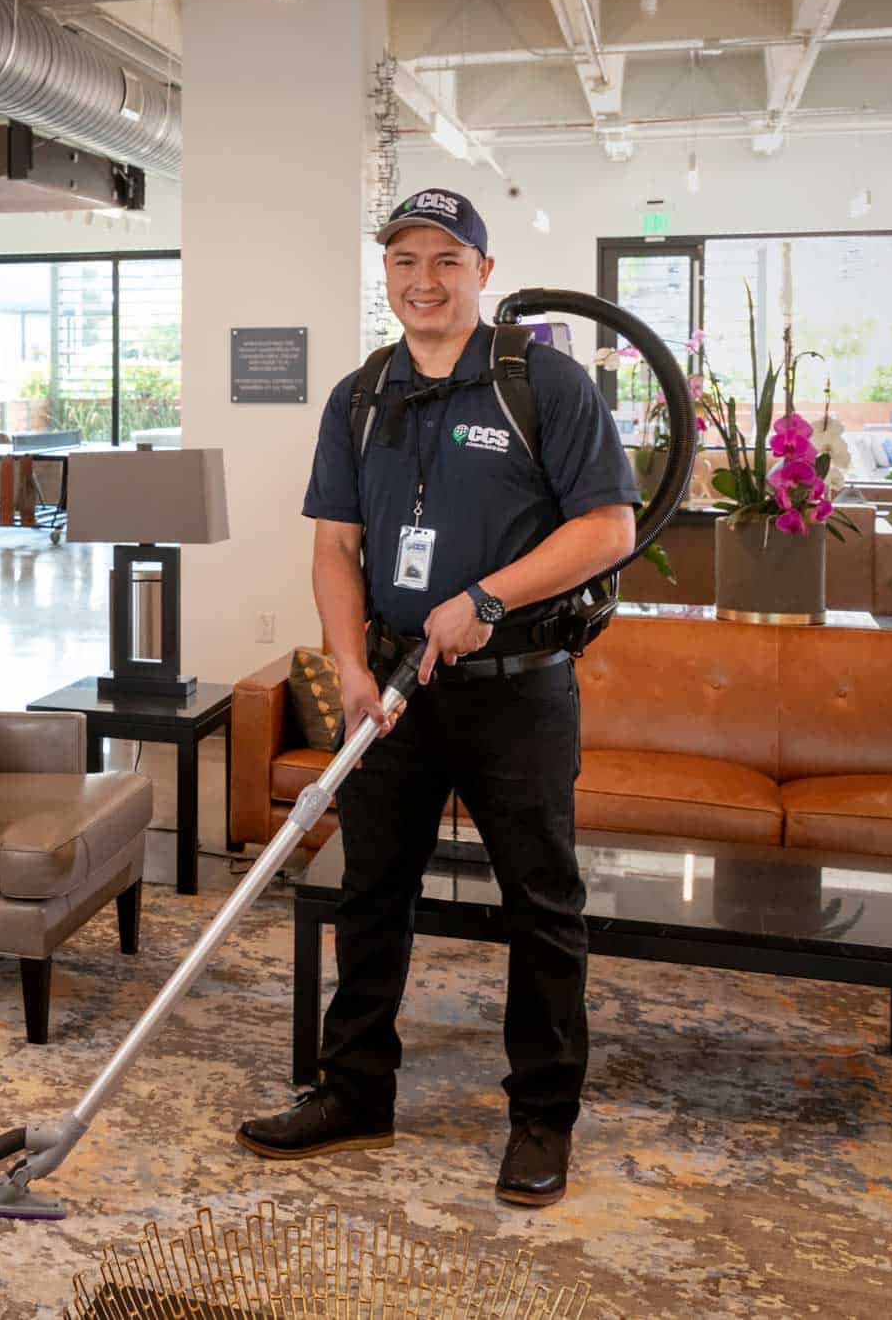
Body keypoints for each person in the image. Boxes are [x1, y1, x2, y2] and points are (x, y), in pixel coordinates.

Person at [235, 189, 638, 1208]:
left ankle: (540, 1116)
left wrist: (483, 598)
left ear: (483, 273)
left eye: (445, 260)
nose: (423, 279)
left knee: (540, 905)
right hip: (391, 698)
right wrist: (346, 669)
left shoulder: (542, 382)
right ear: (386, 274)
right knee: (370, 894)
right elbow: (333, 543)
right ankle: (352, 1090)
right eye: (404, 261)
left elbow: (607, 528)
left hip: (517, 691)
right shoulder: (358, 394)